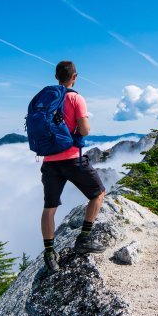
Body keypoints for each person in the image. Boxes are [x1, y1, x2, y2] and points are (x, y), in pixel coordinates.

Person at [40, 60, 107, 271]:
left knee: (49, 208)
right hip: (71, 158)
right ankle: (84, 239)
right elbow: (85, 130)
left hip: (49, 161)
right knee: (98, 193)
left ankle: (50, 254)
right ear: (75, 77)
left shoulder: (45, 100)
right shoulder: (76, 98)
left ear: (56, 77)